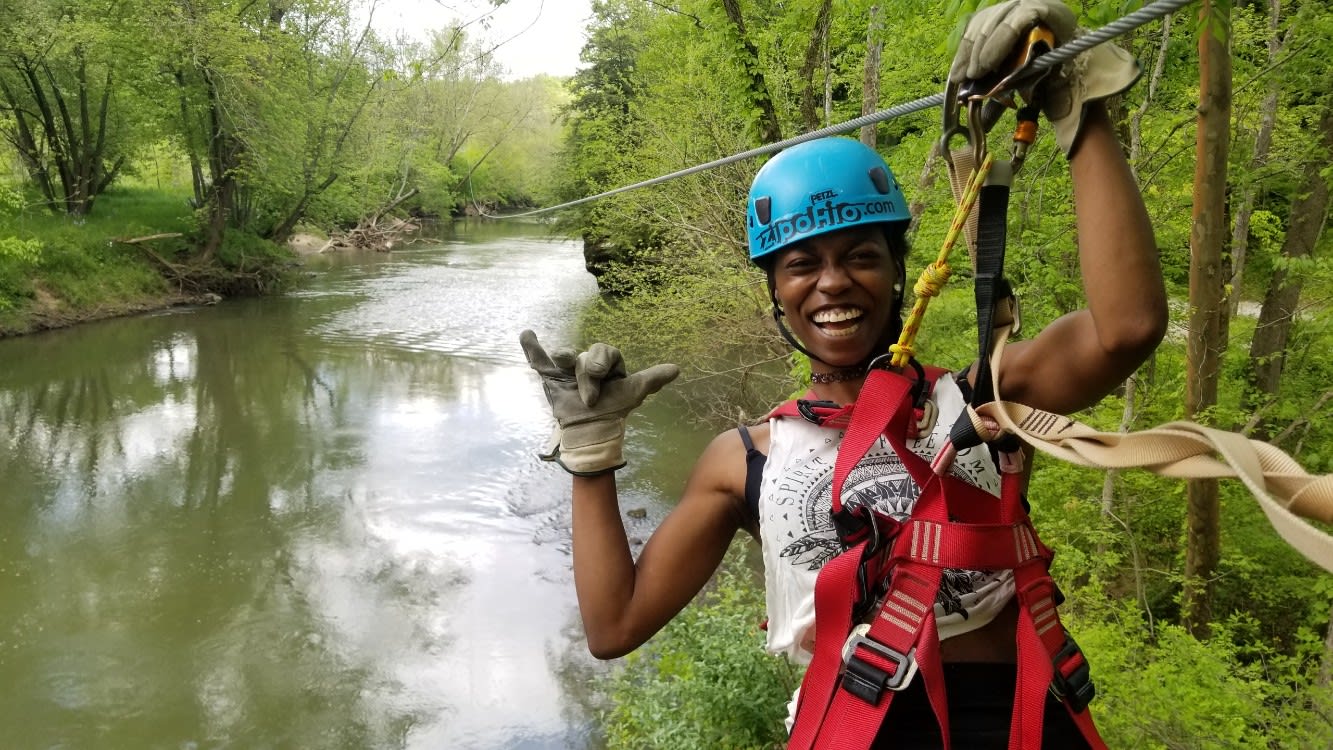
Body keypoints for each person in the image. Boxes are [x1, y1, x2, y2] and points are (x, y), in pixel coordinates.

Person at [520, 1, 1167, 746]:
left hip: (1019, 718)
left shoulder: (982, 395)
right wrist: (592, 455)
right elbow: (613, 625)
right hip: (860, 726)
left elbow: (1127, 330)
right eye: (801, 266)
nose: (830, 283)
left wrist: (1075, 110)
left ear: (898, 273)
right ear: (777, 294)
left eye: (860, 255)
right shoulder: (746, 457)